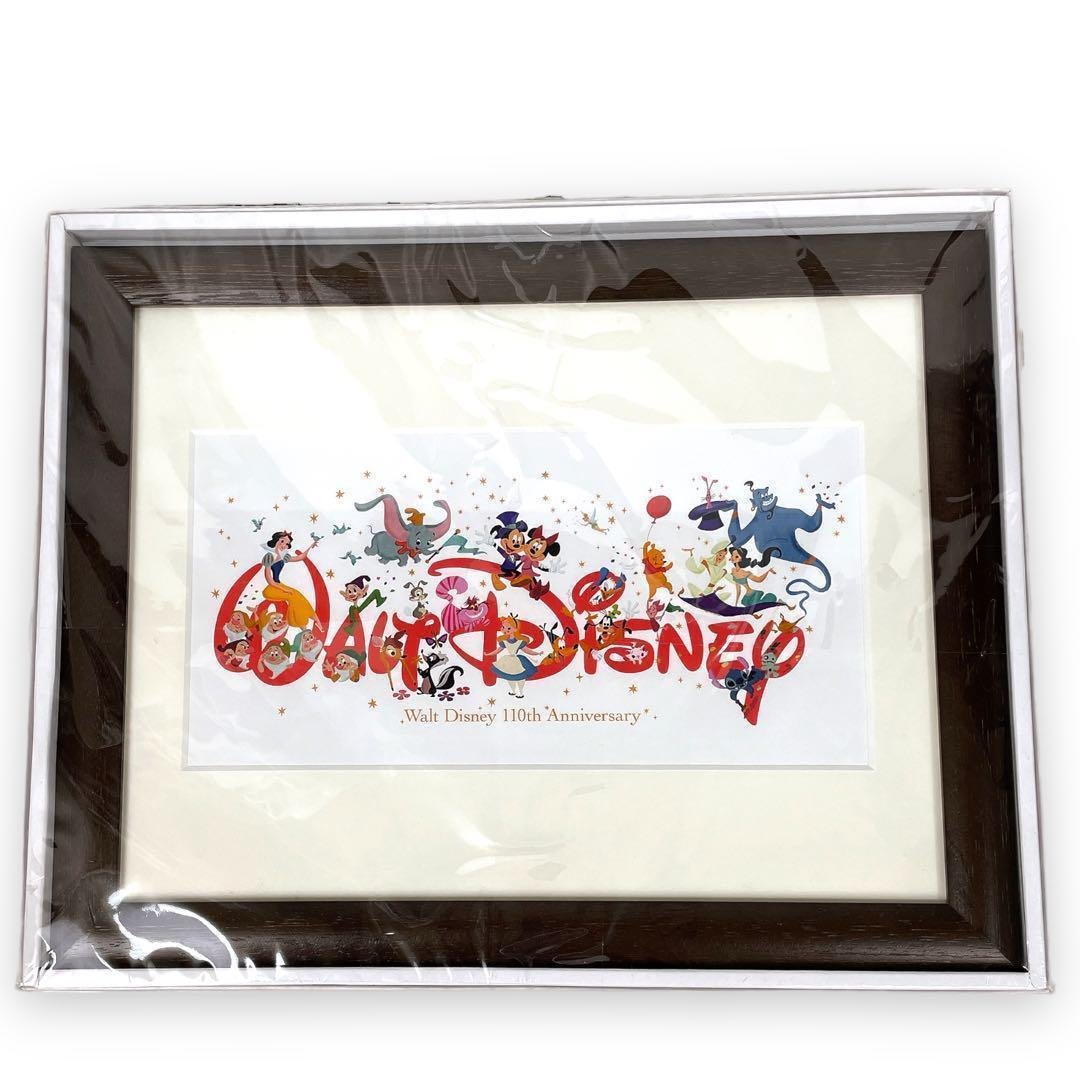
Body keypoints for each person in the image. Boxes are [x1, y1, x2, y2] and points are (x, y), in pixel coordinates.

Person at [260, 530, 323, 631]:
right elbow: (269, 580)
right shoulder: (270, 556)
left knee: (299, 597)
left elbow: (300, 557)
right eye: (282, 541)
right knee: (294, 597)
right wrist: (284, 590)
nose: (284, 545)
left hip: (279, 585)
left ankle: (316, 621)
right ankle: (303, 627)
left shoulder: (282, 556)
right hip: (272, 588)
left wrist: (310, 546)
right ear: (275, 540)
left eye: (287, 544)